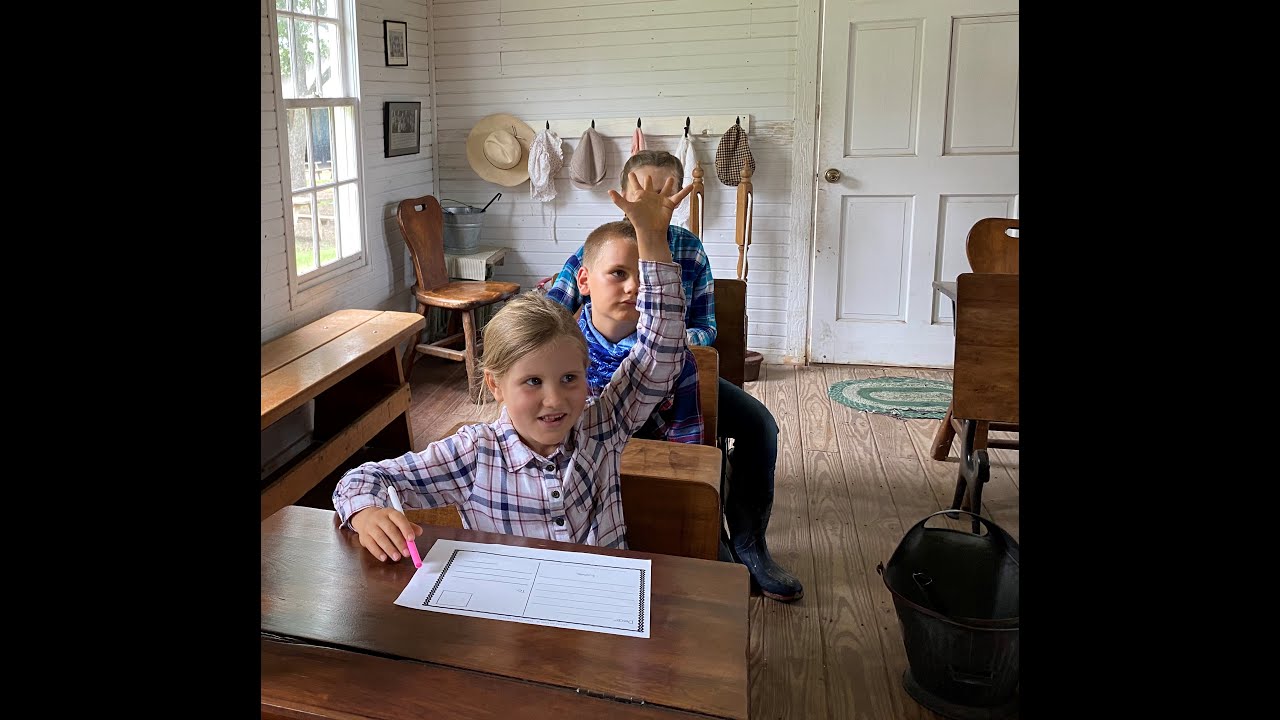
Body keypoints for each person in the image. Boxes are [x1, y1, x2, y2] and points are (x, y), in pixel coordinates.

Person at [334, 173, 694, 562]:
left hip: (598, 605)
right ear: (495, 384)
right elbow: (362, 479)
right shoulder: (475, 453)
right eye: (533, 382)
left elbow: (661, 351)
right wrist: (366, 512)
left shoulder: (600, 424)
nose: (554, 399)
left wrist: (654, 240)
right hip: (509, 613)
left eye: (569, 379)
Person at [546, 150, 804, 602]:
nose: (650, 200)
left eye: (663, 190)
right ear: (622, 196)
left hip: (675, 373)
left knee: (758, 424)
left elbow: (705, 327)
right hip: (595, 379)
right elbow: (550, 316)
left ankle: (748, 542)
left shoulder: (688, 249)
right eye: (639, 191)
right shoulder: (598, 247)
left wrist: (654, 343)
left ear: (680, 198)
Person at [575, 219, 703, 445]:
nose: (633, 287)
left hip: (654, 476)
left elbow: (687, 457)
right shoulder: (559, 353)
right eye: (618, 273)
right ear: (584, 281)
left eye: (644, 277)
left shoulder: (678, 362)